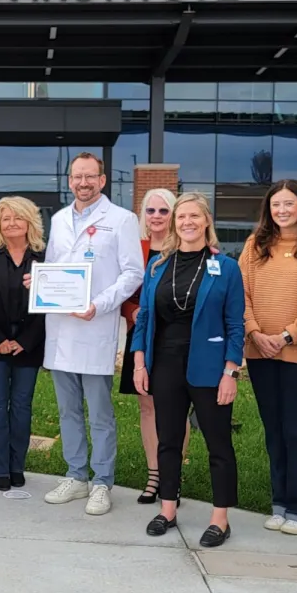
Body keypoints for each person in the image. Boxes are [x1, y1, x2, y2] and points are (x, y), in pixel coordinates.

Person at [133, 192, 245, 547]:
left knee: (218, 443)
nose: (187, 223)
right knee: (168, 440)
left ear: (206, 221)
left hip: (210, 368)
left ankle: (220, 518)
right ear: (173, 222)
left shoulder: (225, 267)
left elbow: (235, 324)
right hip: (165, 364)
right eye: (181, 217)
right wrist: (139, 360)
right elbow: (145, 318)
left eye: (194, 216)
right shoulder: (158, 267)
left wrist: (231, 371)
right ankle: (167, 509)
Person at [38, 152, 143, 516]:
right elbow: (54, 267)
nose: (83, 183)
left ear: (102, 180)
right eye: (77, 177)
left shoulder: (122, 220)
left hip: (95, 325)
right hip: (61, 328)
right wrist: (38, 284)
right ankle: (76, 474)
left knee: (99, 412)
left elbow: (133, 274)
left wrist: (98, 305)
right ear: (70, 181)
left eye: (90, 177)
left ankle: (102, 482)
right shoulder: (59, 219)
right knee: (68, 411)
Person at [239, 180, 297, 536]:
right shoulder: (254, 245)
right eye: (276, 205)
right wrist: (255, 332)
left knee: (296, 430)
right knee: (273, 430)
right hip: (258, 350)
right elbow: (240, 293)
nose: (282, 211)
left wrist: (287, 335)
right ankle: (280, 503)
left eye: (289, 204)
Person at [119, 186, 187, 504]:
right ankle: (154, 476)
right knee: (147, 405)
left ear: (173, 214)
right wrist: (131, 311)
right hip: (141, 336)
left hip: (175, 338)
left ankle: (174, 476)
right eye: (150, 210)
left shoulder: (183, 248)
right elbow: (123, 291)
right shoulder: (136, 248)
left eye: (163, 210)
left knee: (175, 407)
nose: (157, 216)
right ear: (142, 215)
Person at [0, 197, 45, 491]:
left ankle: (18, 466)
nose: (12, 223)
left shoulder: (44, 257)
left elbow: (48, 305)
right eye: (5, 218)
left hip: (29, 342)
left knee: (21, 405)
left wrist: (23, 341)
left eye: (18, 217)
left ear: (30, 221)